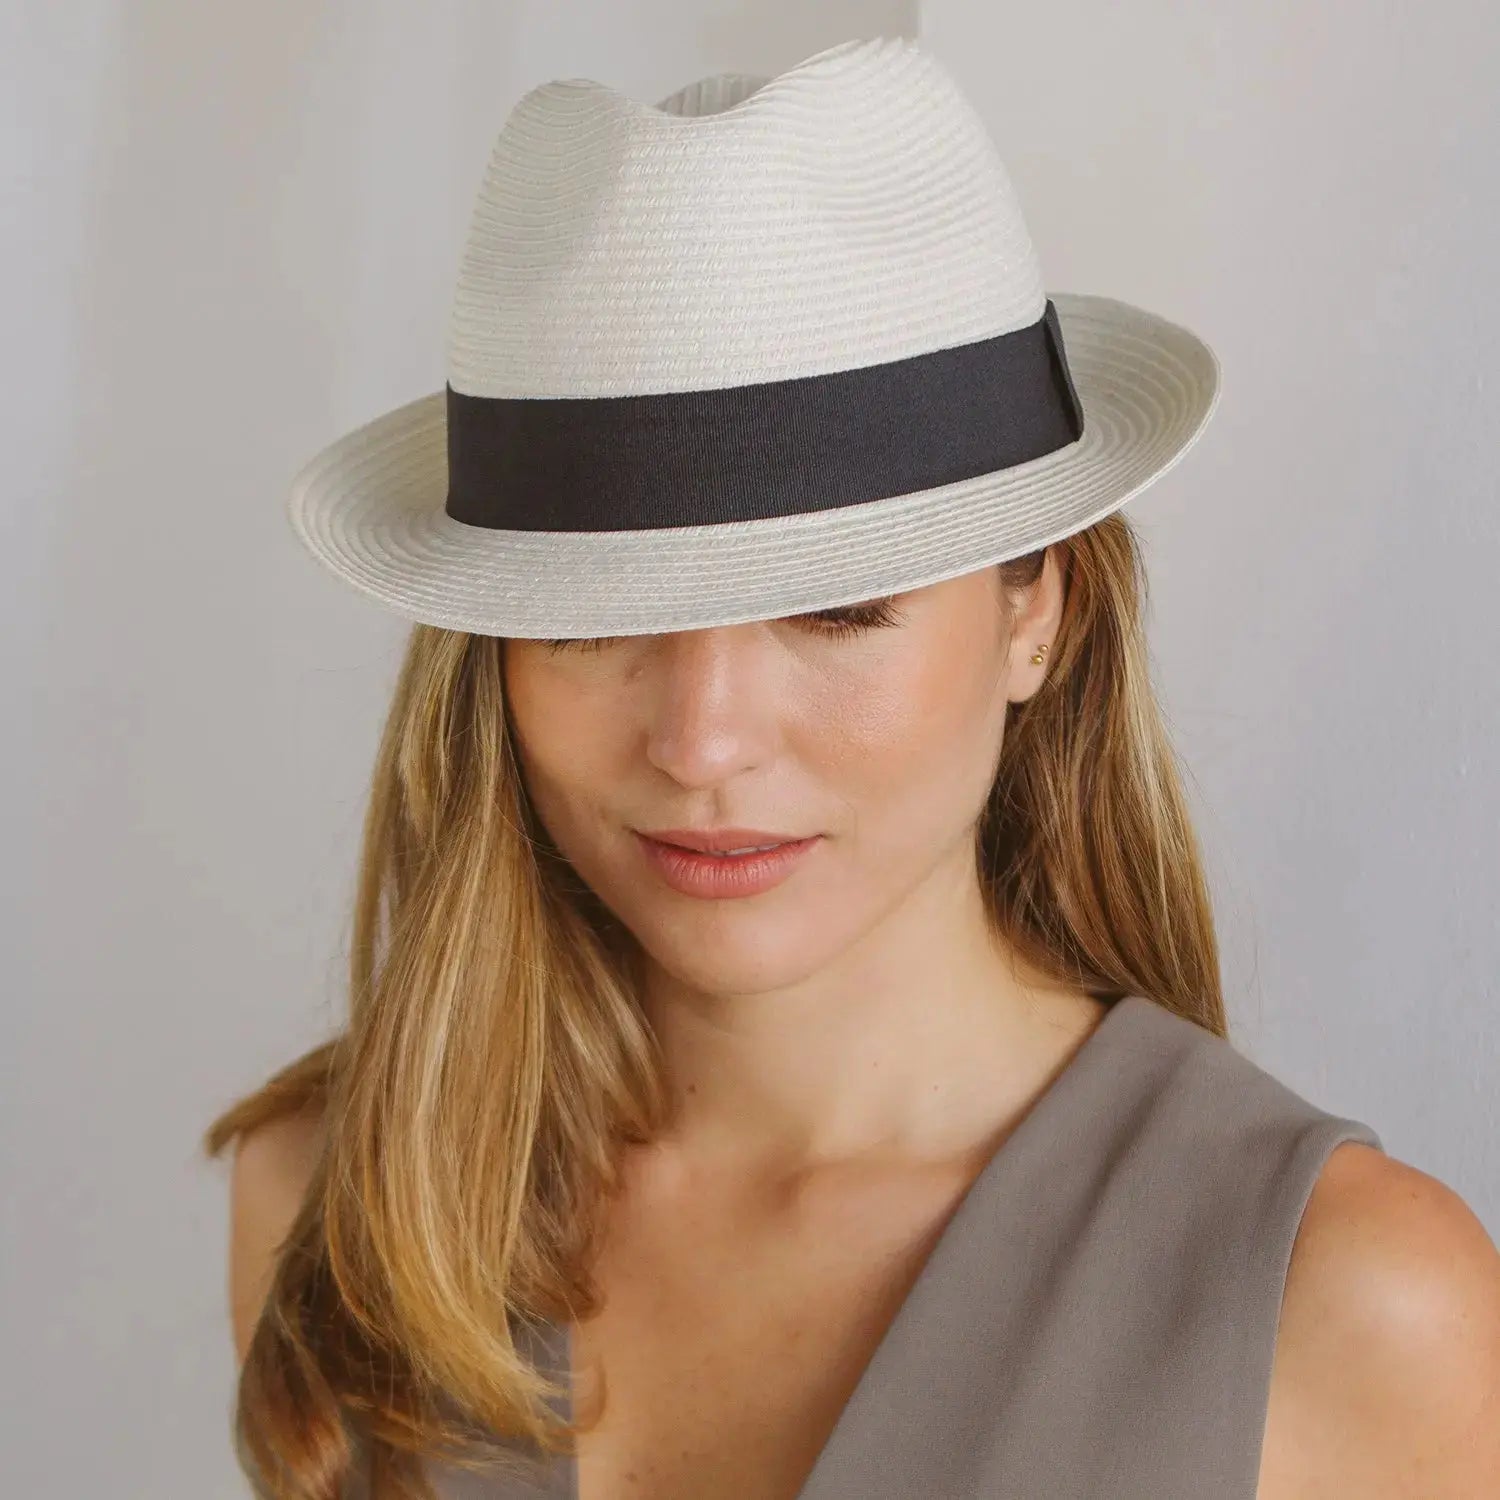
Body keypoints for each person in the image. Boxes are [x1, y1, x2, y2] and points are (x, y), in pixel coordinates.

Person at [203, 35, 1500, 1500]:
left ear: (1038, 611)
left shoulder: (1345, 1309)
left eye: (836, 610)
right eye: (594, 616)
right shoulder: (341, 1212)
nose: (702, 742)